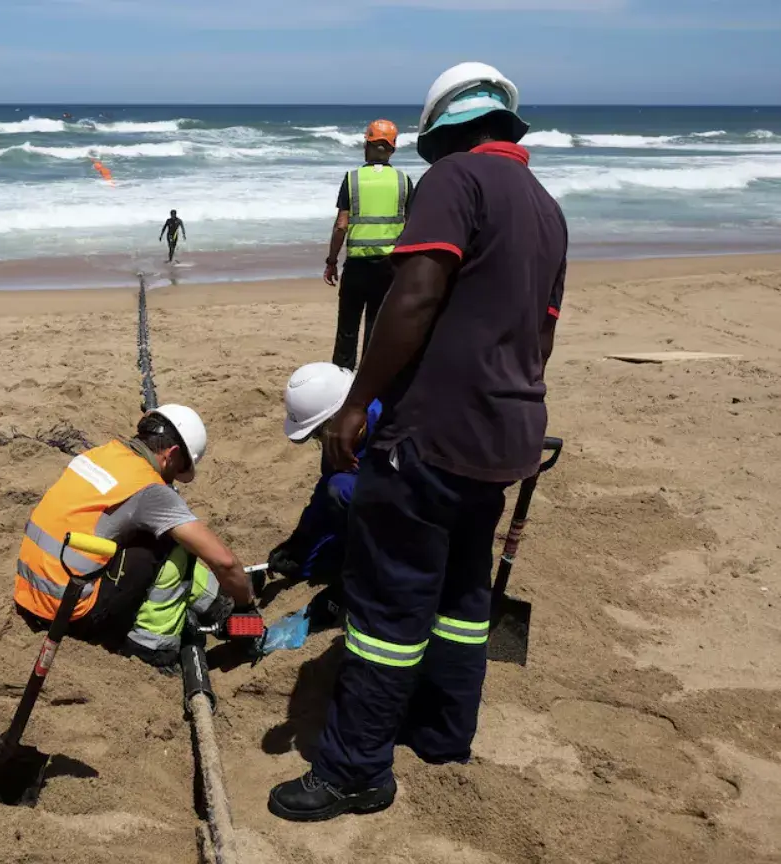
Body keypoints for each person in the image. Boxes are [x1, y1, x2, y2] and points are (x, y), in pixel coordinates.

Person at [268, 61, 567, 823]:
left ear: (447, 132)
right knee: (464, 592)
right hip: (506, 433)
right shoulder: (546, 206)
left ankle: (354, 770)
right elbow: (541, 335)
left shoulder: (454, 182)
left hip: (431, 433)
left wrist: (359, 401)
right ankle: (441, 730)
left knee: (388, 606)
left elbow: (418, 293)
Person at [13, 405, 257, 669]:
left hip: (30, 594)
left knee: (146, 533)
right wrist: (246, 607)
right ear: (172, 454)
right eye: (178, 470)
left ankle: (215, 604)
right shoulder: (149, 488)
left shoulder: (100, 454)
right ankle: (152, 648)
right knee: (174, 544)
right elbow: (224, 562)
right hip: (70, 613)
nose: (173, 480)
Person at [264, 363, 382, 641]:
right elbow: (323, 492)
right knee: (309, 563)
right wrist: (299, 540)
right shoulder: (340, 438)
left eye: (320, 432)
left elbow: (400, 511)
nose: (321, 441)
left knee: (341, 490)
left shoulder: (389, 428)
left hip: (404, 520)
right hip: (364, 511)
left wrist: (345, 589)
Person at [324, 120, 414, 370]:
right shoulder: (403, 181)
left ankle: (341, 378)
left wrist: (331, 261)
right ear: (393, 149)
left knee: (347, 330)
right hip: (389, 268)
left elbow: (341, 225)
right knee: (377, 329)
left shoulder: (353, 179)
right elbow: (412, 225)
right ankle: (369, 383)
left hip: (356, 268)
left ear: (367, 145)